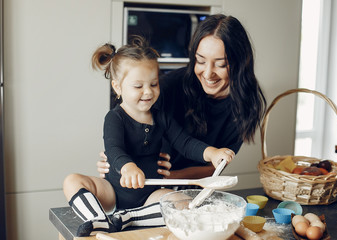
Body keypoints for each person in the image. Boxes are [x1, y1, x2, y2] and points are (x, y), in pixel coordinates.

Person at [63, 36, 235, 237]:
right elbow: (114, 149)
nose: (148, 92)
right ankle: (98, 219)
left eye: (154, 84)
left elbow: (185, 143)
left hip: (149, 196)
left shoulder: (161, 116)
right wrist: (128, 167)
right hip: (112, 190)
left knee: (183, 204)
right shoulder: (115, 118)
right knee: (72, 181)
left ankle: (127, 218)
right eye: (138, 86)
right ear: (117, 87)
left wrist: (212, 153)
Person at [98, 14, 267, 181]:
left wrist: (170, 178)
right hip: (147, 183)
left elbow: (215, 166)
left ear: (240, 62)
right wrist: (118, 160)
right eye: (200, 61)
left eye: (221, 64)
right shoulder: (166, 87)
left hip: (182, 184)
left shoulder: (247, 102)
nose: (208, 74)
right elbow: (126, 121)